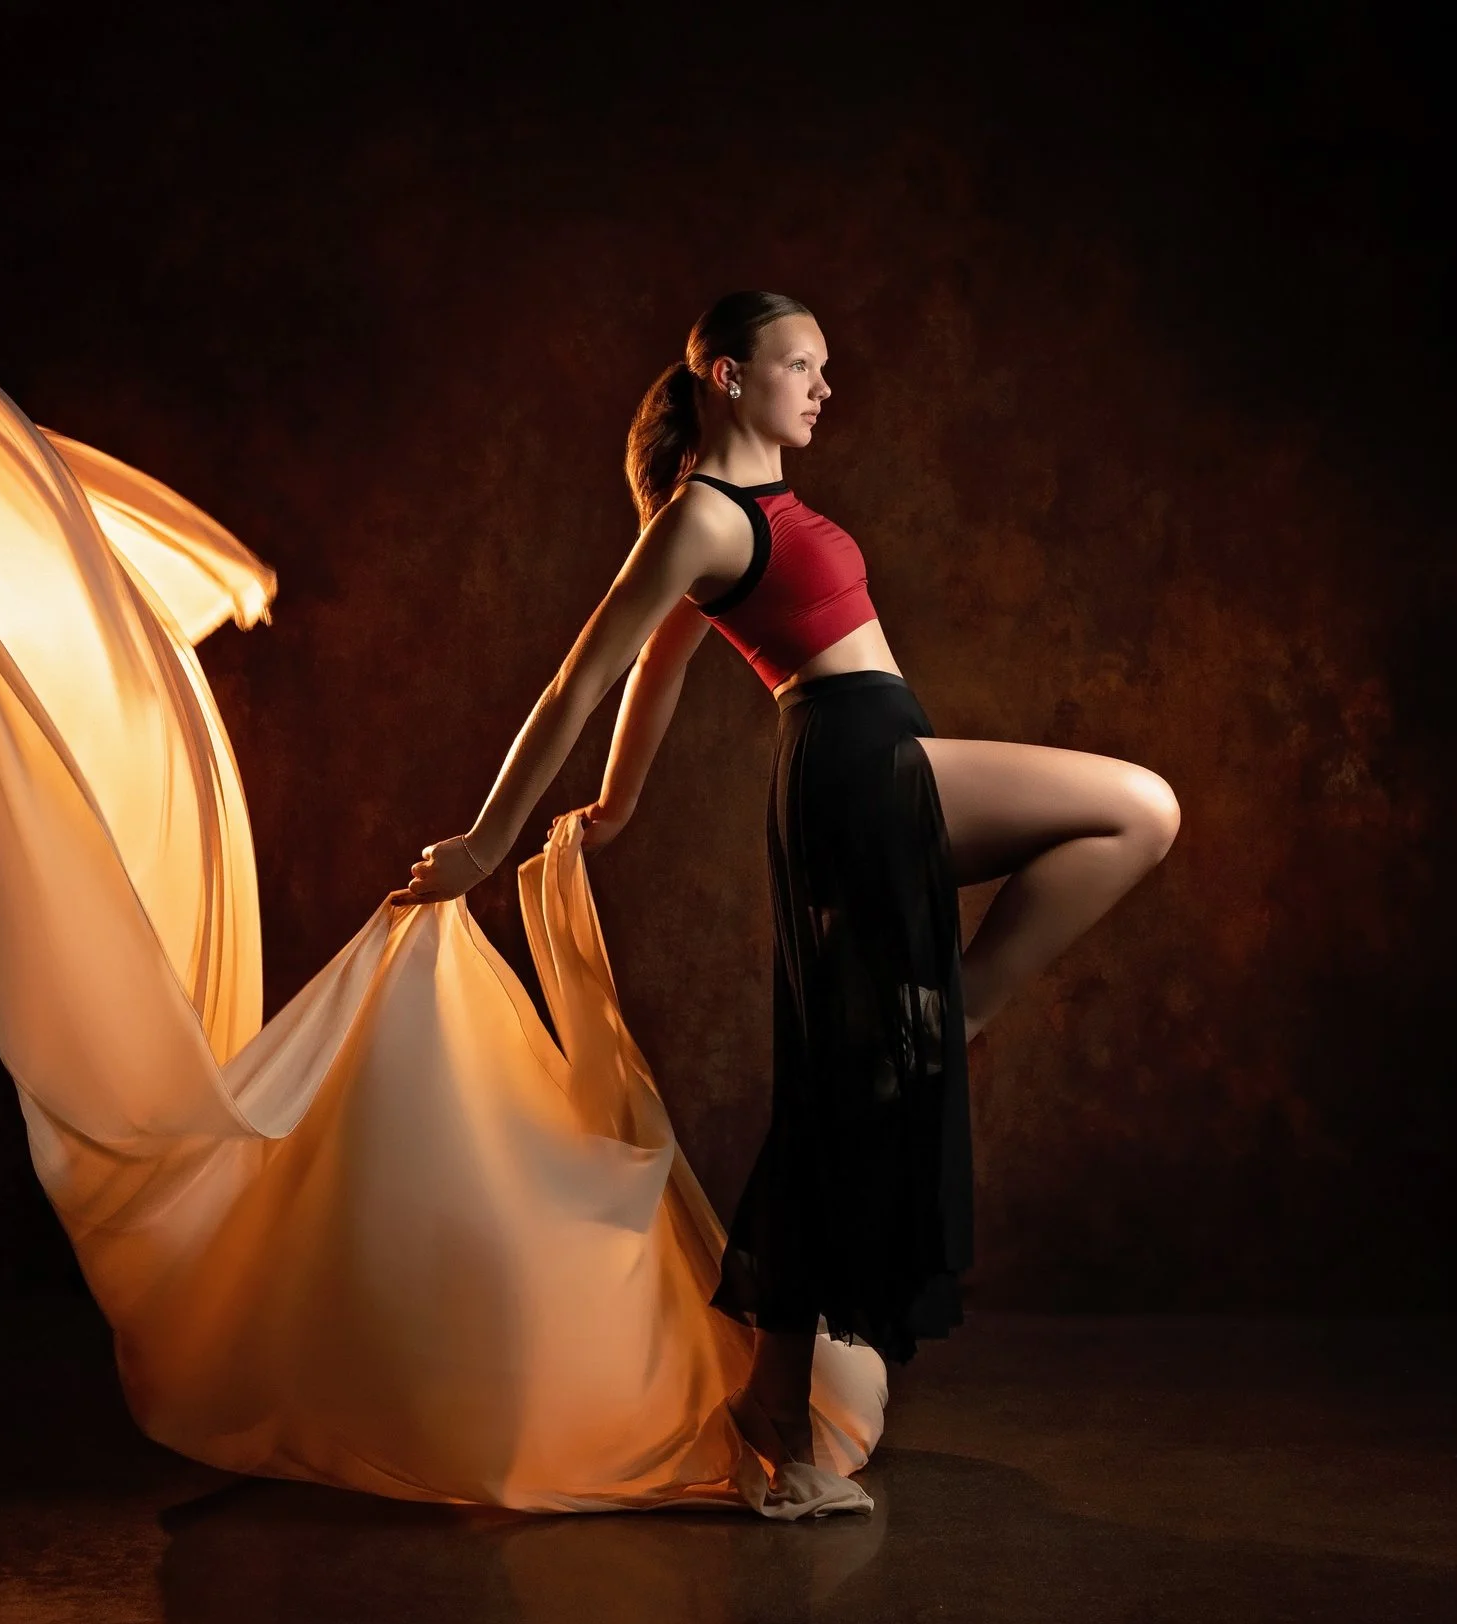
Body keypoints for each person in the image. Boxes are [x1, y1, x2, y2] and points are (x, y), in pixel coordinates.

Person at [387, 291, 1180, 1481]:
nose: (821, 386)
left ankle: (772, 1395)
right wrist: (487, 843)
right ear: (723, 373)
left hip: (868, 758)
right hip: (857, 763)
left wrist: (617, 806)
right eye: (799, 364)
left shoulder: (736, 511)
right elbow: (581, 680)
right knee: (1140, 805)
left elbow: (660, 666)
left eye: (821, 367)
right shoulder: (698, 520)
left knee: (845, 1093)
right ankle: (957, 1012)